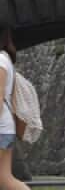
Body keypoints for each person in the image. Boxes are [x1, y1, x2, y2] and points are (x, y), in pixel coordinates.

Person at [0, 25, 30, 190]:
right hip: (5, 128)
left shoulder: (0, 60)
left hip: (1, 128)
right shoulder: (5, 59)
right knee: (5, 179)